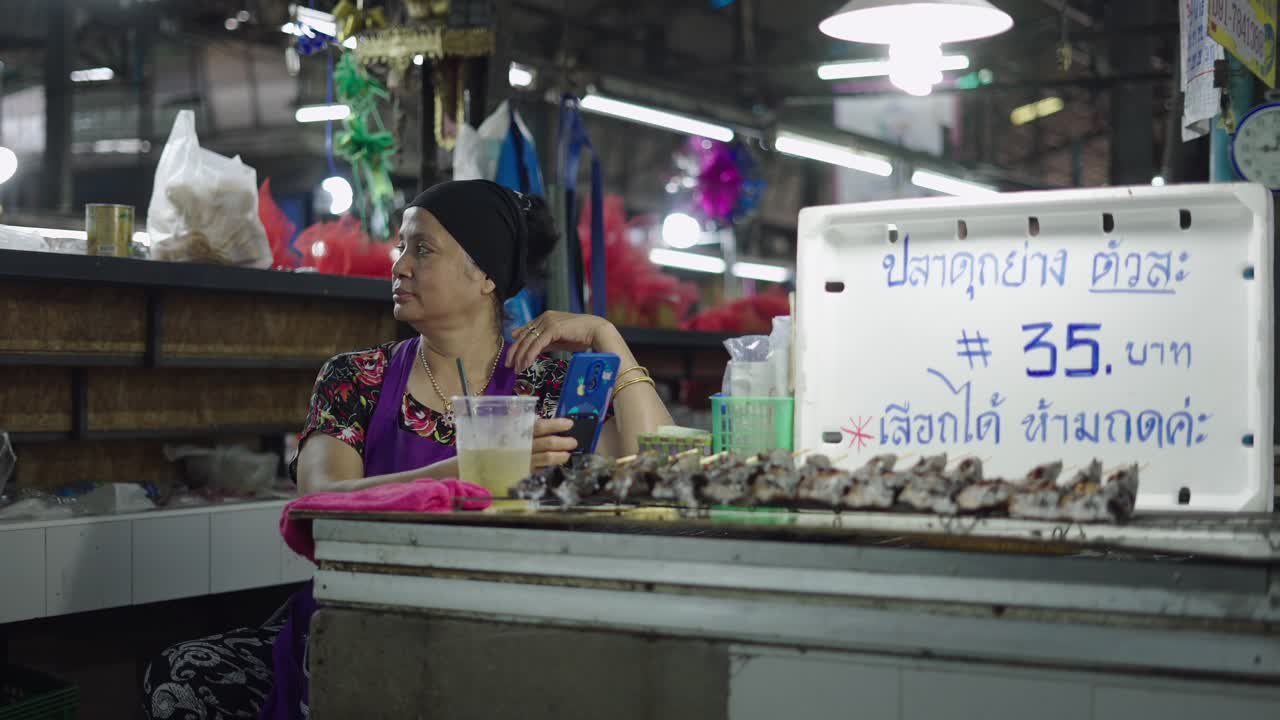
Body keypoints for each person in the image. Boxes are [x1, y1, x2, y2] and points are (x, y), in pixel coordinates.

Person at [142, 180, 673, 720]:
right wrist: (469, 471)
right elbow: (318, 501)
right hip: (359, 618)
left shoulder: (552, 387)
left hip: (503, 630)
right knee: (180, 676)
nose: (398, 266)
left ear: (485, 274)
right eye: (401, 246)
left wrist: (610, 338)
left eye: (422, 249)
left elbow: (662, 467)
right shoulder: (357, 378)